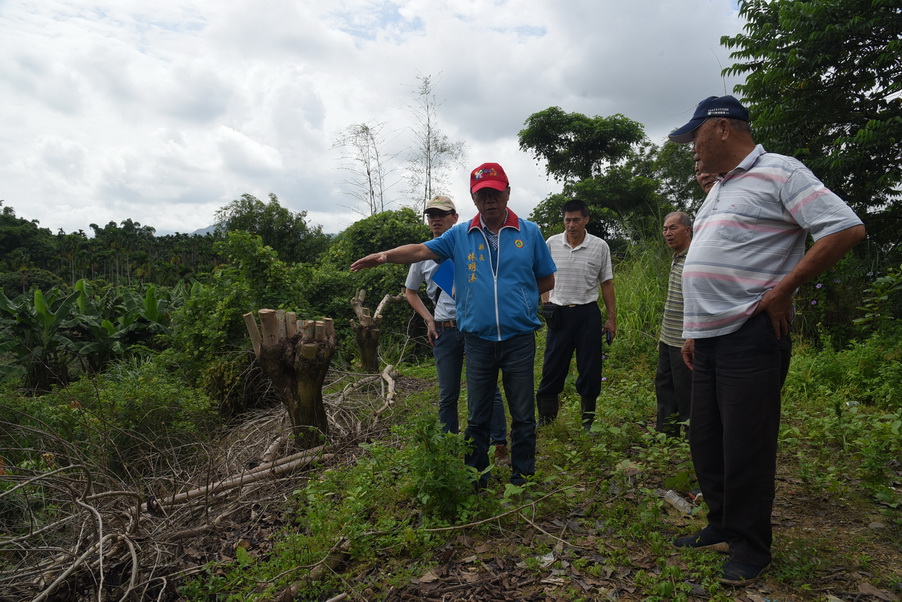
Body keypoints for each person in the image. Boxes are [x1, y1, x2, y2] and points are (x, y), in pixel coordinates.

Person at [668, 95, 865, 585]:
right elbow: (708, 264)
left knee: (747, 444)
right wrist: (693, 330)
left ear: (722, 129)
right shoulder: (718, 189)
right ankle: (721, 521)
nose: (691, 147)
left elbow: (843, 228)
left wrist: (785, 290)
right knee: (707, 439)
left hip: (751, 334)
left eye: (695, 136)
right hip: (709, 339)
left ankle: (752, 546)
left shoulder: (781, 171)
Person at [351, 162, 556, 485]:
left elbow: (546, 278)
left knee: (522, 413)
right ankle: (477, 477)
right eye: (482, 195)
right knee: (477, 414)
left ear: (507, 193)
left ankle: (523, 477)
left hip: (518, 338)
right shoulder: (459, 236)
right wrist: (385, 255)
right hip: (476, 339)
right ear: (474, 200)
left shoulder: (529, 232)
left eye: (495, 193)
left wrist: (518, 299)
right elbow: (420, 250)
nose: (489, 200)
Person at [404, 195, 510, 465]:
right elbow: (410, 292)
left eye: (442, 214)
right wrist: (428, 319)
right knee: (447, 394)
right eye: (431, 215)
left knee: (488, 390)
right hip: (445, 330)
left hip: (475, 328)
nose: (436, 220)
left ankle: (499, 444)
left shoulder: (473, 245)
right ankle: (449, 448)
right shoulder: (422, 255)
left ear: (455, 217)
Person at [535, 199, 616, 431]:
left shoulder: (600, 246)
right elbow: (540, 274)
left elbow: (607, 283)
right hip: (558, 314)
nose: (571, 225)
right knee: (552, 367)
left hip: (587, 314)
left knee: (590, 369)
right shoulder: (551, 244)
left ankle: (588, 422)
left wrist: (611, 319)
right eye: (567, 220)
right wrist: (545, 300)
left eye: (576, 220)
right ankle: (547, 421)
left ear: (586, 220)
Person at [654, 210, 693, 437]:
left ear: (687, 230)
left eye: (673, 228)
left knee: (686, 389)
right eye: (665, 229)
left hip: (685, 340)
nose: (667, 233)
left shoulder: (694, 258)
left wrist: (691, 336)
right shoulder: (677, 257)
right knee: (665, 386)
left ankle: (692, 435)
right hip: (667, 337)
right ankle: (666, 432)